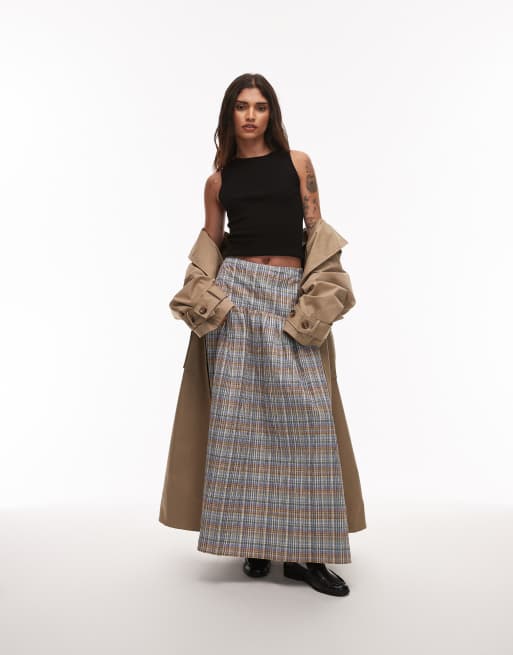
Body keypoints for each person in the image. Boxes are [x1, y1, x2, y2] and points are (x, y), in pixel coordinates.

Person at [169, 73, 362, 597]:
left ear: (271, 113)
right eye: (241, 106)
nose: (251, 115)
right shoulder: (218, 181)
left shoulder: (298, 163)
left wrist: (317, 296)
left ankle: (308, 556)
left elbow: (316, 232)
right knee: (241, 425)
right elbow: (212, 243)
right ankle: (254, 543)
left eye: (259, 106)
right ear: (229, 115)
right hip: (237, 298)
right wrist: (205, 296)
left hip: (289, 297)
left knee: (308, 422)